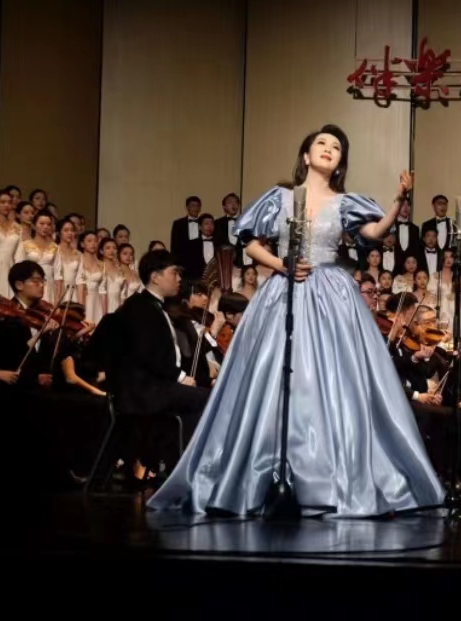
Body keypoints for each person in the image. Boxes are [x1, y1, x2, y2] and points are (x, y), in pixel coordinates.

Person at [148, 124, 444, 517]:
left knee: (332, 380)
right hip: (284, 289)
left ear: (340, 162)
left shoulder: (345, 202)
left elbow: (373, 231)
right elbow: (249, 242)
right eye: (321, 143)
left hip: (331, 294)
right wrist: (281, 265)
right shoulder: (280, 197)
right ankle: (265, 471)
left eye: (336, 146)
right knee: (275, 377)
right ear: (306, 155)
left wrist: (398, 199)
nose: (328, 149)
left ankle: (327, 472)